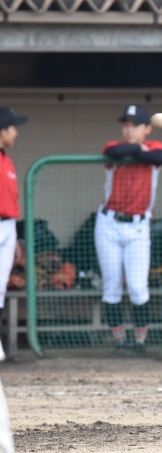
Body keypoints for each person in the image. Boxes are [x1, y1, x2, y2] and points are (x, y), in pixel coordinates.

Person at [94, 105, 162, 352]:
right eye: (126, 125)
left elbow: (157, 157)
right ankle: (120, 342)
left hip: (138, 227)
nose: (129, 130)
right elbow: (114, 152)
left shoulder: (156, 146)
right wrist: (139, 149)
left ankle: (139, 342)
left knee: (138, 288)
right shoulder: (114, 147)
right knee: (112, 287)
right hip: (108, 224)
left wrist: (139, 150)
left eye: (135, 125)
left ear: (147, 128)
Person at [0, 108, 27, 364]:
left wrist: (15, 237)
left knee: (0, 289)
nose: (16, 132)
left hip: (7, 227)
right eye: (12, 128)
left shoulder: (6, 159)